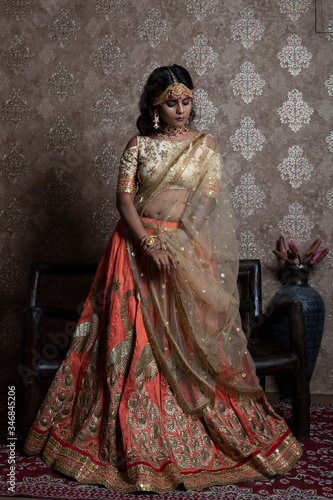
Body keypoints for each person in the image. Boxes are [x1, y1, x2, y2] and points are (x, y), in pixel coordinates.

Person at [24, 64, 302, 493]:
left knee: (190, 342)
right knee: (128, 341)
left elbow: (205, 203)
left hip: (187, 252)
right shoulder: (138, 145)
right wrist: (149, 245)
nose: (181, 110)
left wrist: (174, 247)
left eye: (187, 101)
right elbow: (124, 201)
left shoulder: (206, 146)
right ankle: (126, 436)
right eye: (171, 102)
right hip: (132, 252)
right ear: (154, 106)